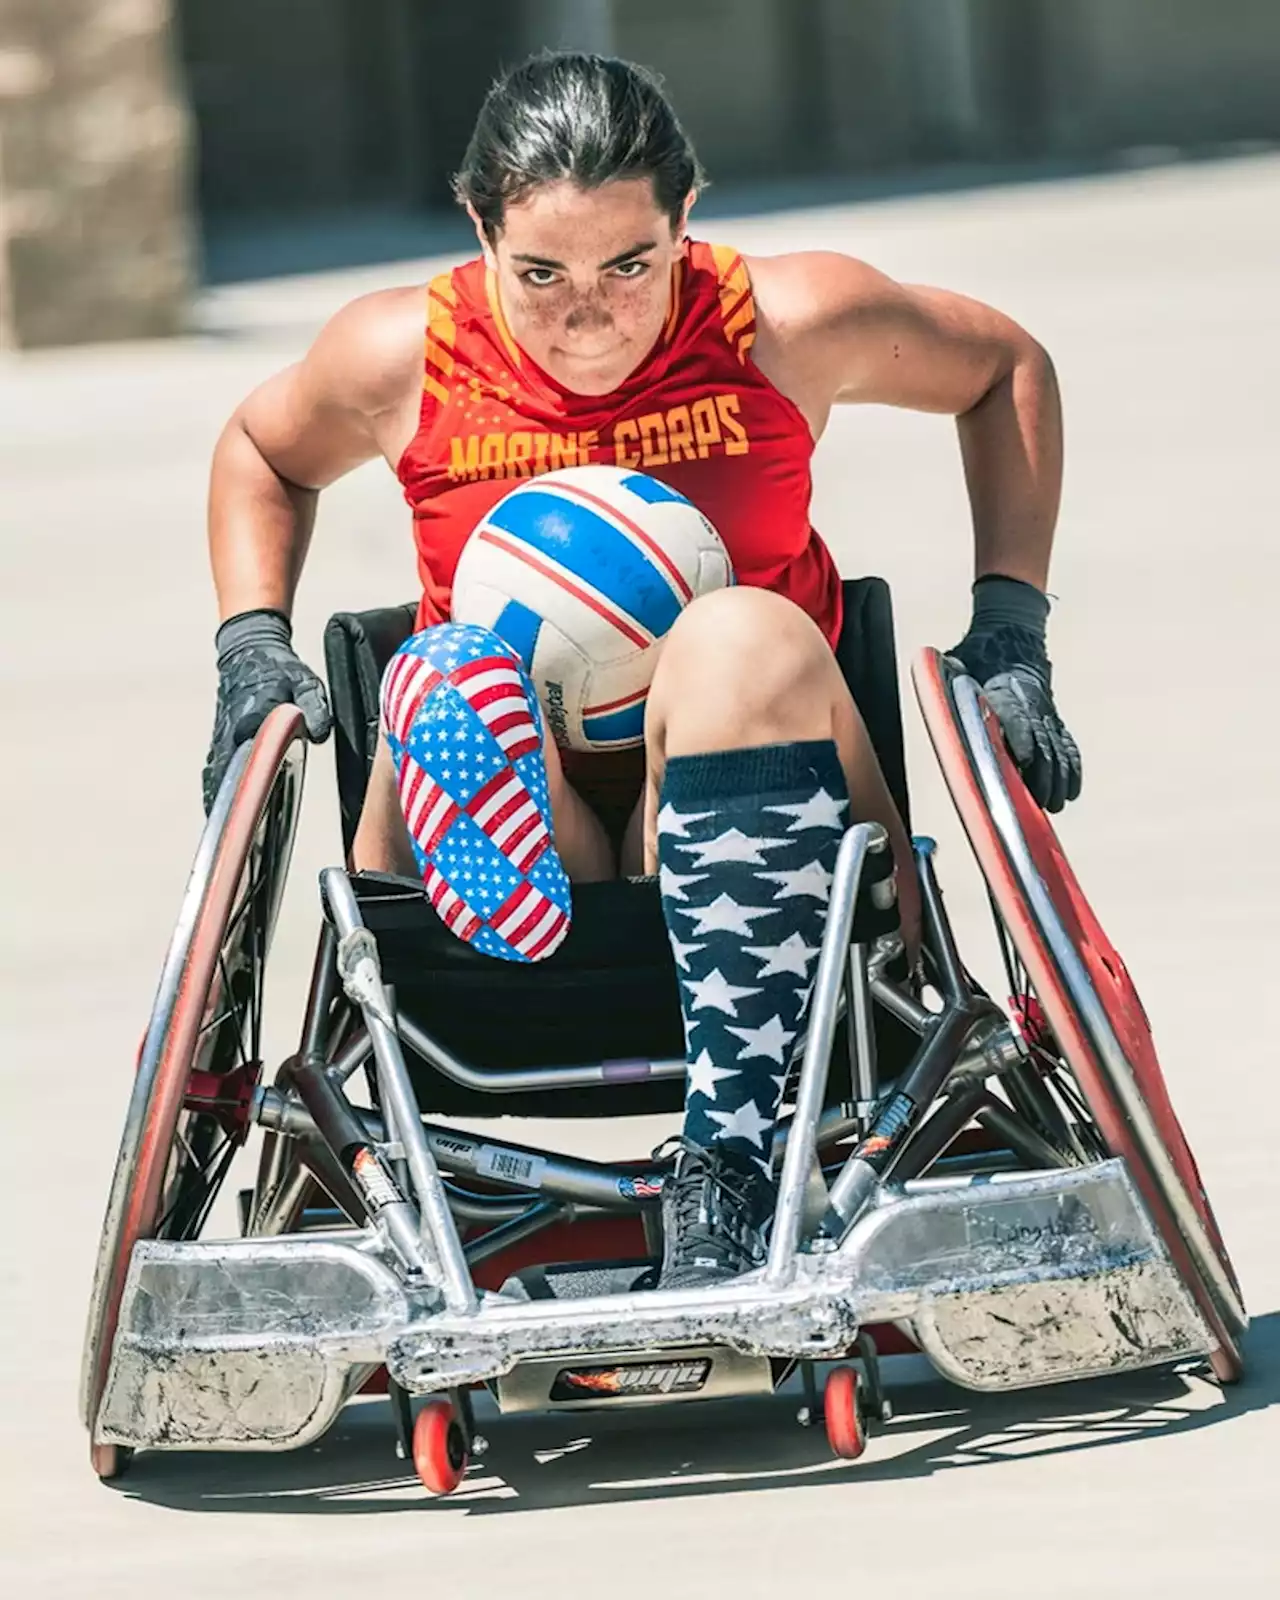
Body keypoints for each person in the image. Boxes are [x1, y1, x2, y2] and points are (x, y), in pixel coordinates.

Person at [202, 52, 1080, 1290]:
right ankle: (491, 802)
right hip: (524, 815)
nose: (587, 316)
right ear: (479, 230)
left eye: (629, 266)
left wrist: (1009, 631)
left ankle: (728, 1158)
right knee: (449, 666)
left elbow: (1004, 370)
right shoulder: (401, 353)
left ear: (686, 220)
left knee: (735, 630)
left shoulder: (784, 322)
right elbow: (259, 448)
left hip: (763, 812)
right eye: (541, 274)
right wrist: (250, 639)